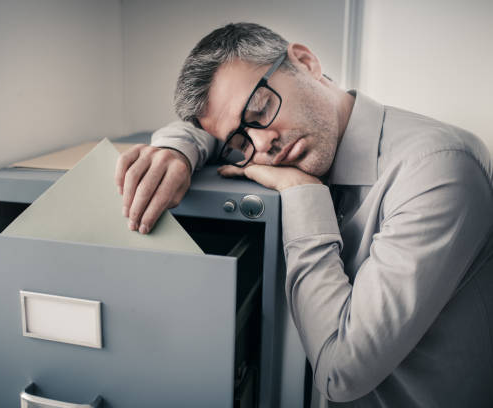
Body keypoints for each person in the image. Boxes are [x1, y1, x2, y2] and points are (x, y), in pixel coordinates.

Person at [114, 22, 493, 406]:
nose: (263, 145)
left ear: (306, 62)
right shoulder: (273, 128)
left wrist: (302, 194)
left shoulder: (437, 169)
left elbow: (341, 371)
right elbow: (216, 125)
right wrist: (176, 150)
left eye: (261, 110)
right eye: (240, 143)